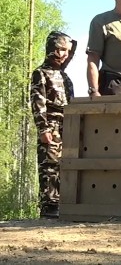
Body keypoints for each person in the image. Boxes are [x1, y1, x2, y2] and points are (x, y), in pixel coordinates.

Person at [30, 31, 77, 218]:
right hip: (50, 126)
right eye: (61, 49)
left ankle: (64, 203)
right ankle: (49, 206)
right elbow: (37, 102)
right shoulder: (40, 73)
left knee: (66, 165)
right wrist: (43, 128)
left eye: (68, 51)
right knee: (49, 165)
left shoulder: (65, 77)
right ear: (52, 48)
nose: (64, 54)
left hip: (67, 126)